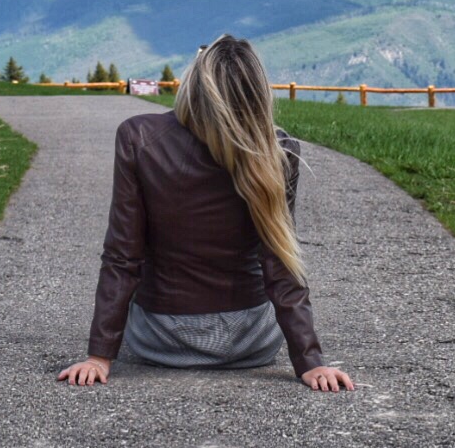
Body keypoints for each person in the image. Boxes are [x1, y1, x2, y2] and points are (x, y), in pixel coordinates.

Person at [58, 35, 354, 392]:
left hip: (161, 340)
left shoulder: (138, 137)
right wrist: (310, 361)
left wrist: (98, 356)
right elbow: (279, 262)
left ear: (194, 84)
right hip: (251, 342)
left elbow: (123, 257)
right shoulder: (280, 149)